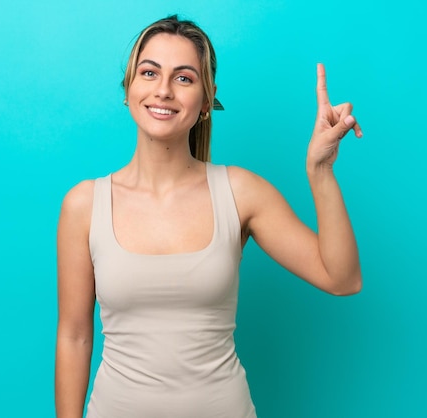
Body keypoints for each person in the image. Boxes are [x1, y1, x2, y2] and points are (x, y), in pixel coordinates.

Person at [55, 14, 362, 418]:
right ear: (128, 89)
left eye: (184, 78)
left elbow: (341, 278)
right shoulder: (84, 204)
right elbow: (75, 336)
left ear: (206, 100)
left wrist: (320, 172)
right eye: (149, 73)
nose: (163, 90)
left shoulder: (240, 192)